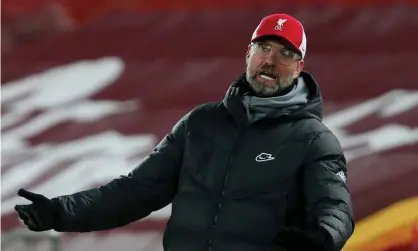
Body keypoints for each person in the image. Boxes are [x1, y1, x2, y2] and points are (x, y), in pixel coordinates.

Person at [15, 13, 355, 251]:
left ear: (299, 68)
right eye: (264, 47)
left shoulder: (313, 140)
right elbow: (136, 191)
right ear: (248, 53)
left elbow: (335, 206)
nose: (271, 60)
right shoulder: (200, 125)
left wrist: (325, 236)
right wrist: (59, 212)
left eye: (285, 53)